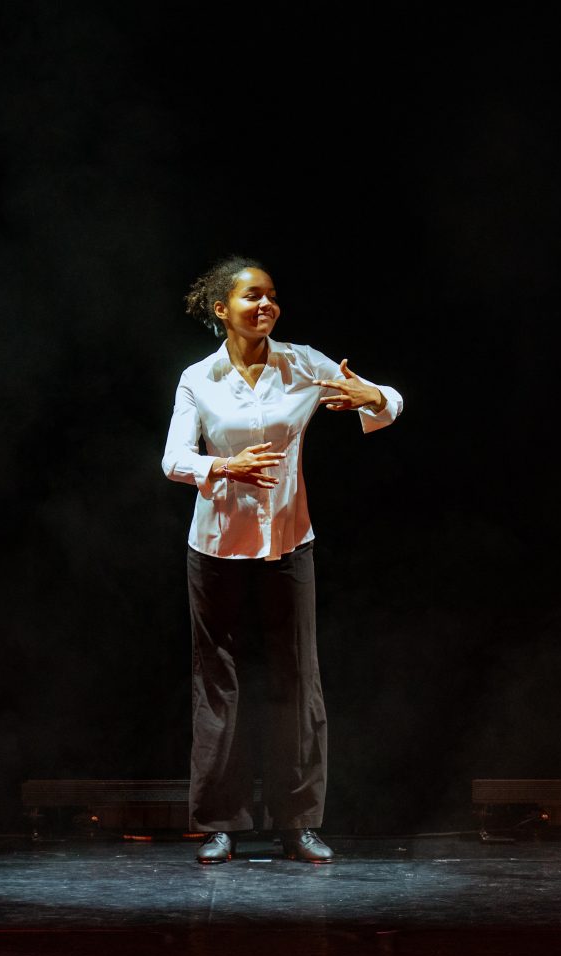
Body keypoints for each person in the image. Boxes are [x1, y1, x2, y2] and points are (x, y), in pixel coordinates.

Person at [161, 255, 404, 864]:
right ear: (221, 309)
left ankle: (298, 823)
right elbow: (173, 459)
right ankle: (221, 824)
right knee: (220, 684)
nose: (265, 305)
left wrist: (372, 395)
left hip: (289, 543)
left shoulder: (301, 364)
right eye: (252, 296)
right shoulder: (199, 378)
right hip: (217, 548)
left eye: (271, 295)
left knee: (297, 680)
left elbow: (388, 403)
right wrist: (224, 465)